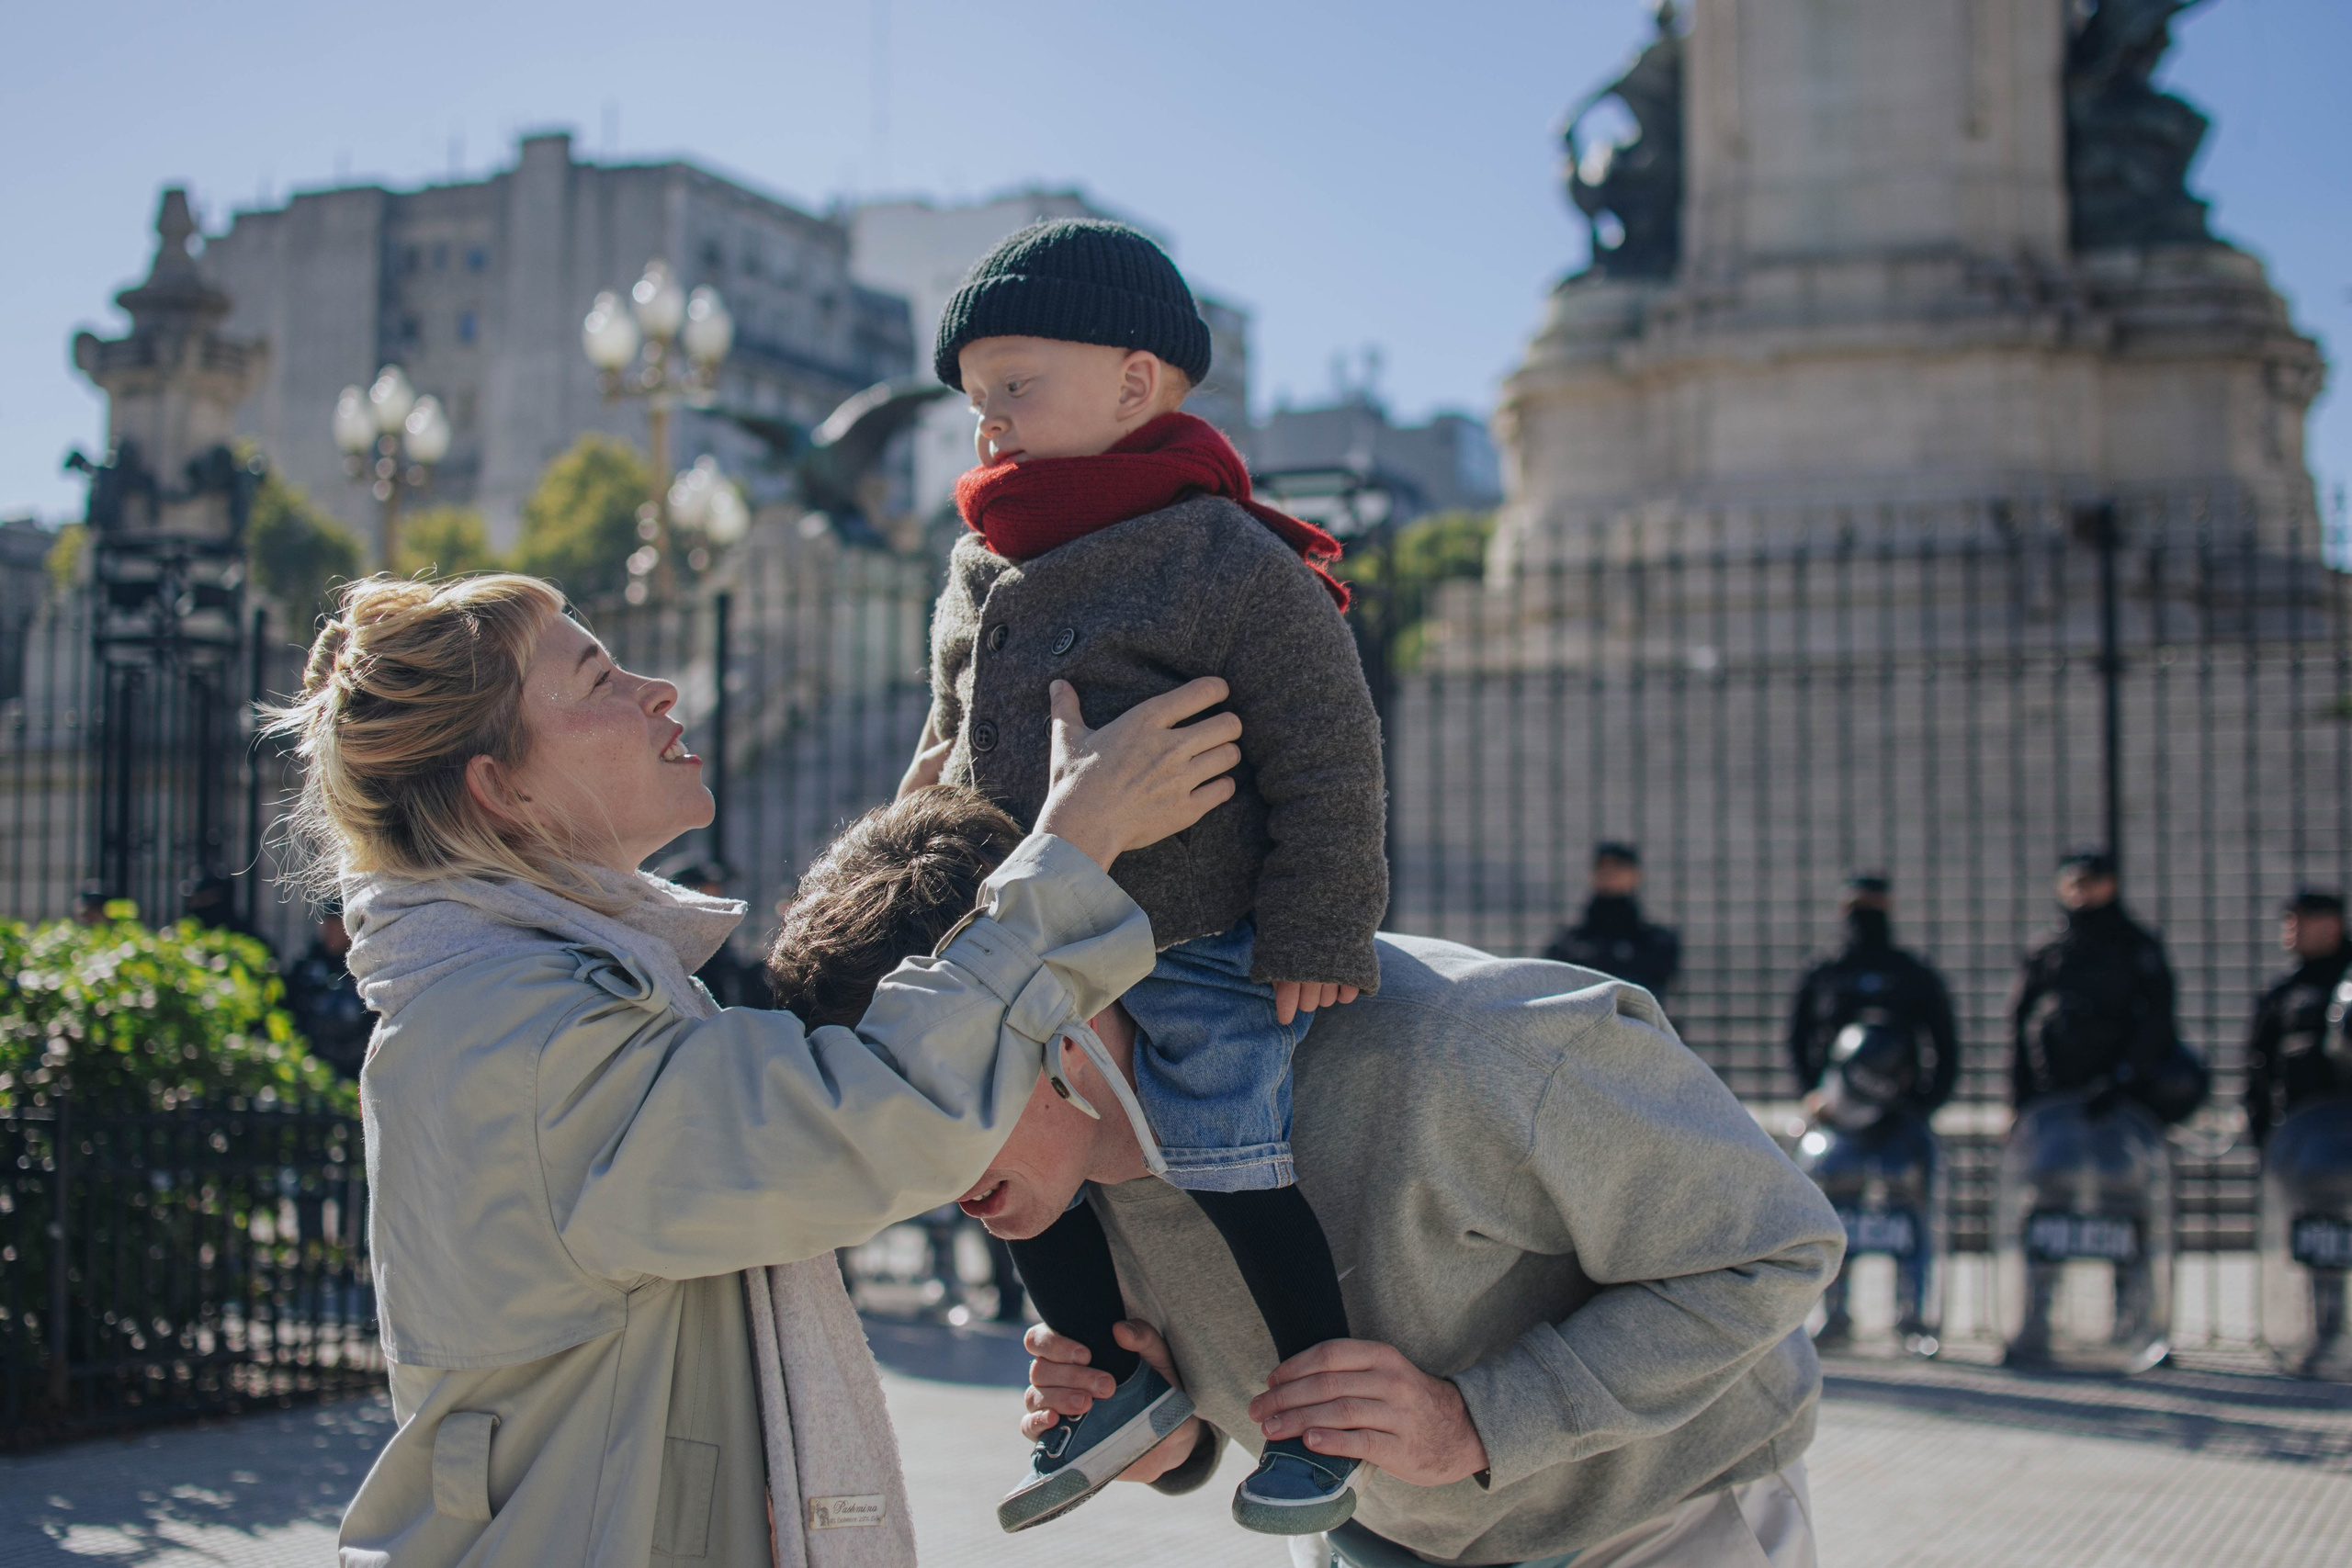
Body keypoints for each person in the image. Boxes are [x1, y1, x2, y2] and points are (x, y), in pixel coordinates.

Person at [264, 571, 1239, 1567]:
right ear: (500, 788)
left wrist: (897, 886)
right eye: (599, 678)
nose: (658, 689)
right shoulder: (517, 1037)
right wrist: (1069, 855)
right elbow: (860, 1119)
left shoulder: (518, 999)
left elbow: (743, 1102)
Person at [774, 788, 1843, 1568]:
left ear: (1050, 1019)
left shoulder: (1465, 1050)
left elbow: (1772, 1247)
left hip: (1661, 1528)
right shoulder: (1046, 1168)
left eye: (927, 1098)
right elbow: (1246, 1405)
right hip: (1370, 1545)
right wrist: (1171, 1435)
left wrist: (1475, 1421)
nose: (912, 1162)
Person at [908, 218, 1388, 1535]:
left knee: (1232, 1145)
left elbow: (1330, 752)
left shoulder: (1226, 556)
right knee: (999, 1147)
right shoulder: (983, 553)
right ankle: (1108, 1379)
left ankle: (1318, 1411)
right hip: (1021, 923)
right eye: (974, 401)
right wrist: (917, 818)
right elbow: (953, 719)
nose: (989, 425)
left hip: (1188, 931)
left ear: (1135, 384)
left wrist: (1319, 924)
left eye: (1018, 387)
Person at [2008, 849, 2193, 1116]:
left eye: (2090, 883)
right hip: (2054, 1082)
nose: (2081, 892)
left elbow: (2158, 1014)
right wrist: (2018, 1091)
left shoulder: (2134, 945)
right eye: (2073, 884)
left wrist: (2126, 1073)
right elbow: (2018, 1015)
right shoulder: (2048, 949)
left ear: (2110, 885)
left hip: (2122, 1087)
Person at [1787, 873, 1960, 1121]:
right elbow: (1798, 1037)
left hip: (1899, 1112)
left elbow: (1944, 1041)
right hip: (1836, 1112)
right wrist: (1812, 1093)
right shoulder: (1825, 973)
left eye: (1874, 906)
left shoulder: (1911, 973)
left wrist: (1925, 1103)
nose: (1866, 916)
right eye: (1858, 907)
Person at [2245, 888, 2352, 1149]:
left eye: (2303, 919)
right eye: (2290, 919)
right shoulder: (2283, 993)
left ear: (2332, 925)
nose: (2292, 926)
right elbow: (2259, 1064)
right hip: (2301, 1133)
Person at [1542, 842, 1680, 998]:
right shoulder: (1569, 941)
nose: (1609, 874)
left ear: (1635, 874)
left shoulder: (1656, 940)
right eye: (1602, 868)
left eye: (1618, 867)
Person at [661, 860, 768, 1007]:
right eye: (705, 889)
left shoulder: (715, 931)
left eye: (716, 890)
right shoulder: (673, 938)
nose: (717, 896)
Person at [283, 903, 371, 1078]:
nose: (330, 929)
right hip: (311, 1068)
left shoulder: (366, 969)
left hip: (356, 1069)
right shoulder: (307, 967)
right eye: (327, 922)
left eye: (337, 922)